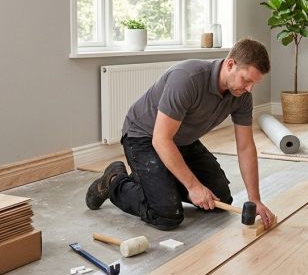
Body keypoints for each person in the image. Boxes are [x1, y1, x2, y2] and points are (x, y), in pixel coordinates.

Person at [85, 38, 276, 230]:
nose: (249, 88)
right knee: (166, 214)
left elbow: (245, 147)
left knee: (219, 199)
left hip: (182, 141)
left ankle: (155, 180)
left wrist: (255, 199)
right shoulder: (187, 78)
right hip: (145, 137)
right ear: (230, 64)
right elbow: (161, 139)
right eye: (247, 79)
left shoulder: (241, 96)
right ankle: (114, 181)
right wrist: (193, 187)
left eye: (254, 83)